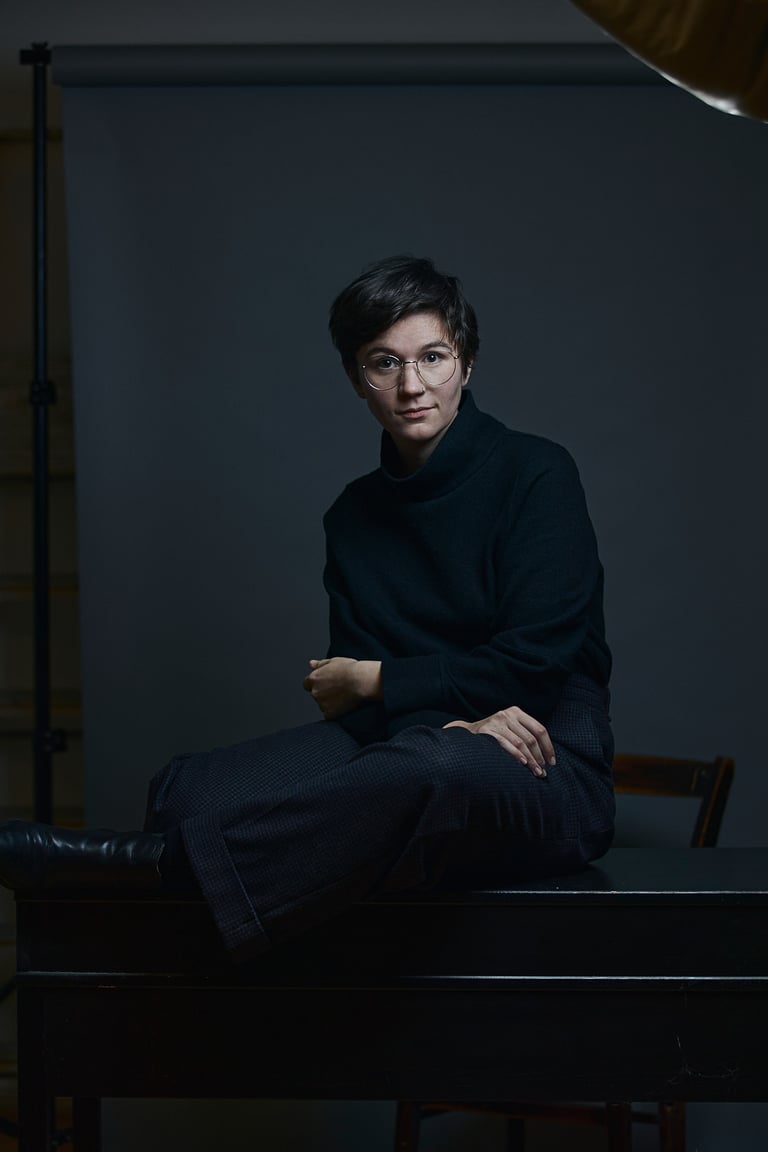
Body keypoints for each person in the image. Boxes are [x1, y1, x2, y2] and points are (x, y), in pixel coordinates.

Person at [0, 255, 615, 961]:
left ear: (467, 363)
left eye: (433, 358)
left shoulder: (537, 474)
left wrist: (382, 679)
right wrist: (444, 713)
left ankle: (156, 870)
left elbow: (532, 665)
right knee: (188, 792)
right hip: (414, 743)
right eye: (384, 363)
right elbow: (360, 711)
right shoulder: (353, 516)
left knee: (436, 768)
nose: (412, 386)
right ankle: (197, 861)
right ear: (356, 379)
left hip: (544, 761)